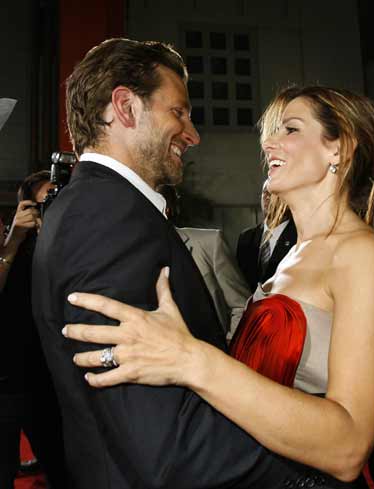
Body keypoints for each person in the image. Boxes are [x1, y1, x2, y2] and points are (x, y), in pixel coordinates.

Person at [61, 85, 374, 487]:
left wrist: (190, 359)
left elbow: (348, 447)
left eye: (290, 129)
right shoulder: (292, 255)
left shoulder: (361, 253)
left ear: (338, 149)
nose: (270, 143)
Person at [32, 39, 312, 489]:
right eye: (179, 112)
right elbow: (168, 449)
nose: (193, 134)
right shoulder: (108, 217)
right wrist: (304, 477)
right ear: (125, 107)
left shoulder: (92, 206)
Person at [0, 171, 67, 489]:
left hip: (59, 381)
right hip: (13, 381)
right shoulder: (10, 247)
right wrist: (14, 240)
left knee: (64, 468)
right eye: (43, 205)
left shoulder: (73, 247)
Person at [161, 184, 250, 336]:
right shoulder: (129, 254)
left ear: (168, 208)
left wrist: (229, 347)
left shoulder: (210, 242)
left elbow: (241, 305)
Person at [237, 179, 297, 292]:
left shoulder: (299, 237)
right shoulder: (246, 237)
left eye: (273, 194)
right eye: (265, 192)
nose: (267, 197)